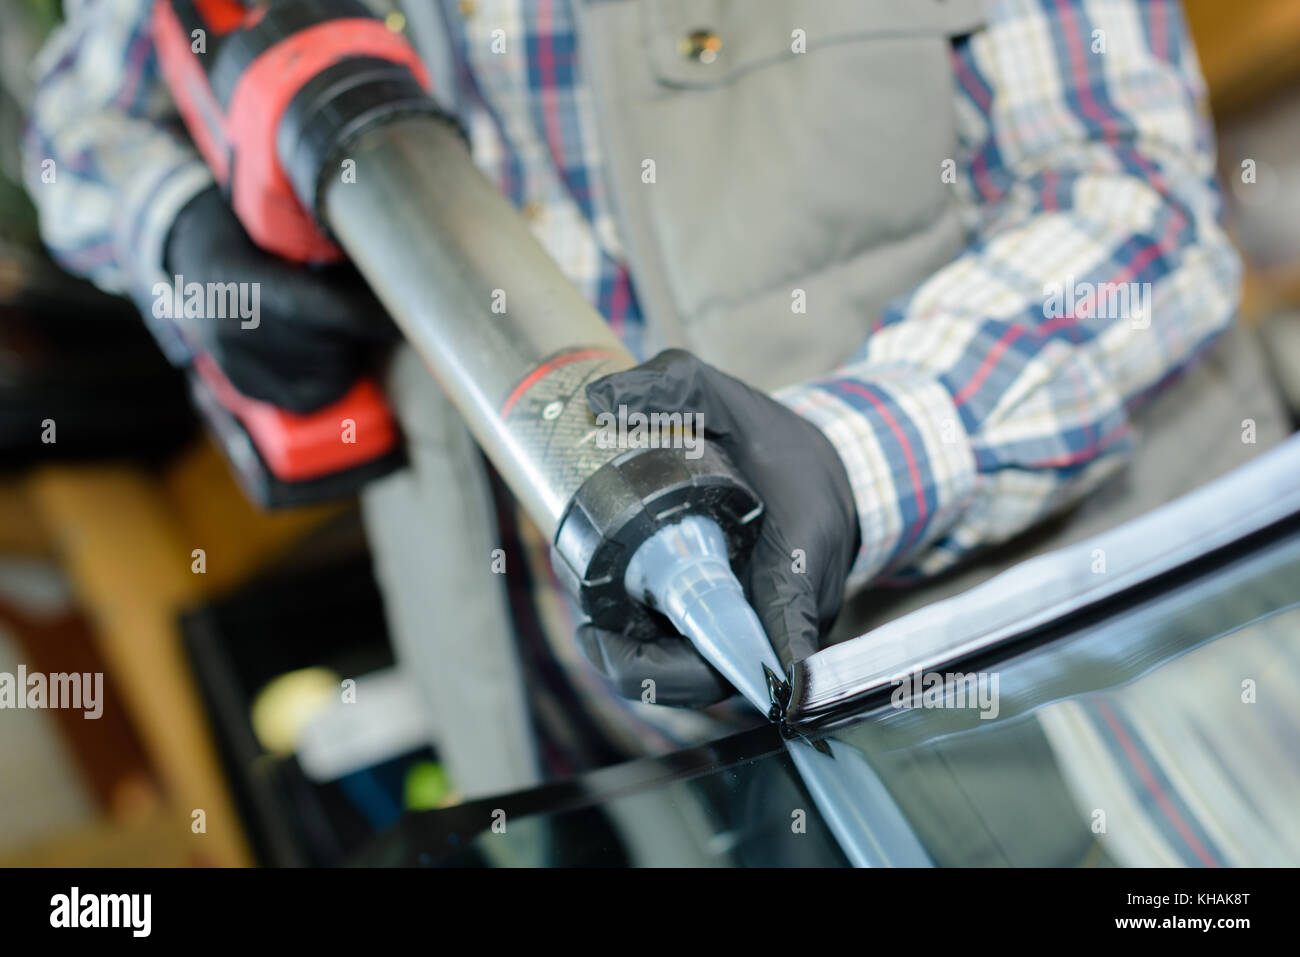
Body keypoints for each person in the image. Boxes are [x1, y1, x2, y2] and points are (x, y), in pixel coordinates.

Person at [23, 0, 1287, 796]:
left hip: (1093, 723)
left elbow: (1140, 207)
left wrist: (848, 461)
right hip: (598, 788)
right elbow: (81, 111)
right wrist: (174, 228)